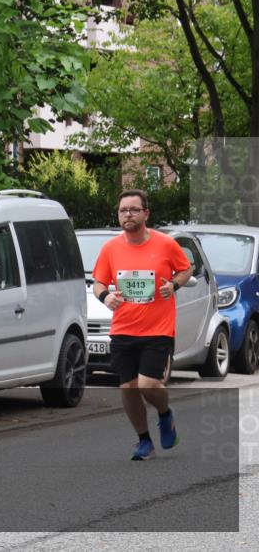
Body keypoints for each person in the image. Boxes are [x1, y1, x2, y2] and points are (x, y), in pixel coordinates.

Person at [92, 189, 191, 461]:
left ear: (146, 214)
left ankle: (164, 413)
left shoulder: (165, 244)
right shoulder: (111, 248)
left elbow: (186, 269)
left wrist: (174, 285)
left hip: (158, 328)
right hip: (123, 328)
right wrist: (106, 296)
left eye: (134, 210)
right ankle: (144, 441)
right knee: (129, 387)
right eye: (123, 210)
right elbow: (99, 282)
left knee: (147, 383)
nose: (128, 215)